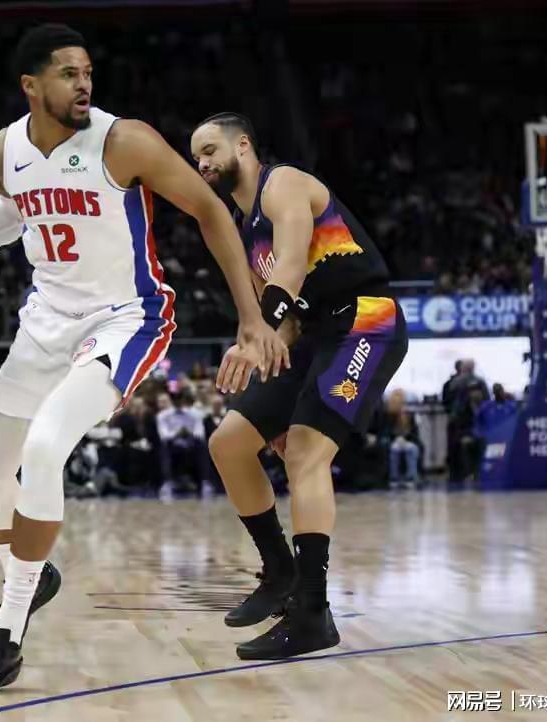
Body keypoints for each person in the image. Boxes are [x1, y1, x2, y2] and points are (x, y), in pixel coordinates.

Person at [0, 24, 288, 696]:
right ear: (31, 85)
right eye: (68, 74)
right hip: (45, 321)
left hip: (124, 318)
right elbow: (15, 212)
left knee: (45, 449)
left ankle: (6, 636)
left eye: (88, 73)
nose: (84, 85)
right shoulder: (4, 149)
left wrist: (250, 316)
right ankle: (31, 575)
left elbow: (211, 211)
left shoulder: (123, 140)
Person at [191, 112, 408, 659]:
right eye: (196, 158)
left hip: (366, 318)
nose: (202, 163)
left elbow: (289, 269)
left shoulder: (282, 183)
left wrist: (253, 336)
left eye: (210, 150)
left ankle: (312, 612)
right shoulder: (242, 226)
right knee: (229, 444)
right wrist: (265, 374)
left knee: (306, 454)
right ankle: (280, 573)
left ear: (244, 145)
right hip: (314, 333)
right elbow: (284, 323)